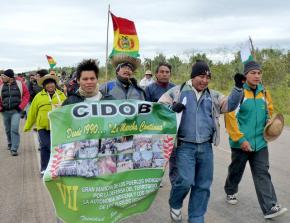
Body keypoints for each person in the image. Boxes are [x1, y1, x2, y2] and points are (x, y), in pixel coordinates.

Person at [158, 60, 244, 223]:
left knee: (203, 185)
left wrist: (238, 88)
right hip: (183, 146)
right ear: (193, 76)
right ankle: (175, 204)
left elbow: (229, 105)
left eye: (207, 77)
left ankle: (196, 217)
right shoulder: (177, 92)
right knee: (185, 181)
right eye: (201, 76)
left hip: (206, 147)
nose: (204, 80)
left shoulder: (213, 95)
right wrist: (171, 109)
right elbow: (159, 108)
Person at [224, 60, 288, 219]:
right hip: (241, 143)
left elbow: (269, 110)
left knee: (262, 173)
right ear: (245, 75)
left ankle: (270, 207)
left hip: (260, 142)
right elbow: (230, 118)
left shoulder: (264, 92)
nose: (257, 76)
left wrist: (269, 121)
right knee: (236, 170)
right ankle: (231, 190)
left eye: (259, 73)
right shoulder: (239, 94)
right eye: (253, 73)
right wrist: (241, 140)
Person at [24, 74, 66, 175]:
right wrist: (28, 126)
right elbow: (32, 112)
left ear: (55, 84)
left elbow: (67, 111)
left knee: (47, 147)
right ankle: (44, 169)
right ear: (44, 86)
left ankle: (56, 168)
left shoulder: (61, 95)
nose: (50, 85)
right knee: (47, 145)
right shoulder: (39, 97)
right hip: (42, 127)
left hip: (57, 127)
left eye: (52, 83)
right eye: (47, 84)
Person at [0, 69, 30, 156]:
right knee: (8, 130)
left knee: (14, 129)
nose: (2, 78)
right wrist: (1, 108)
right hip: (4, 112)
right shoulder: (1, 85)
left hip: (16, 111)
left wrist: (20, 107)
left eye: (4, 76)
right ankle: (10, 142)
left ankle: (14, 148)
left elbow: (26, 95)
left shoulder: (20, 84)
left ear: (10, 77)